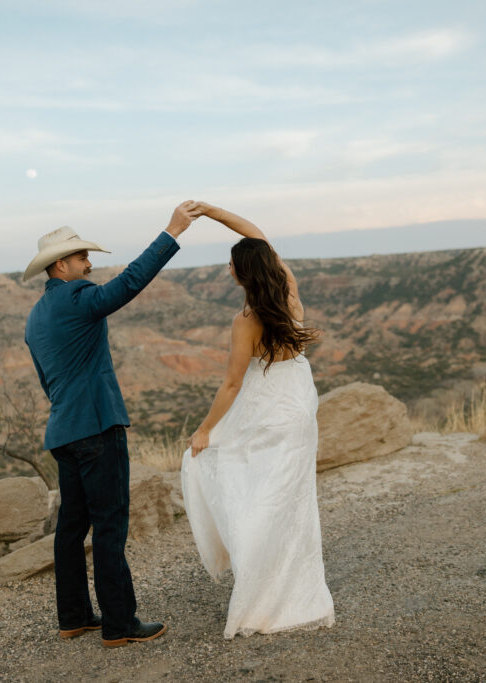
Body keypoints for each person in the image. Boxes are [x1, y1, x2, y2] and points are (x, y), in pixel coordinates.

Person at [23, 200, 202, 648]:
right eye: (83, 257)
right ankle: (120, 624)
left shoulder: (36, 316)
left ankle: (75, 617)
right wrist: (172, 232)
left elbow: (49, 381)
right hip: (97, 430)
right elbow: (129, 283)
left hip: (63, 431)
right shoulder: (78, 298)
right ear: (61, 264)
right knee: (109, 527)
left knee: (70, 529)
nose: (89, 264)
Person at [180, 202, 335, 639]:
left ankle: (260, 594)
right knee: (293, 500)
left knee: (255, 496)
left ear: (240, 274)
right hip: (299, 405)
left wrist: (205, 429)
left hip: (267, 408)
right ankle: (298, 591)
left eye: (231, 262)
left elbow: (231, 385)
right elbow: (258, 236)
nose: (227, 266)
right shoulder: (288, 289)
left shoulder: (246, 321)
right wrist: (212, 212)